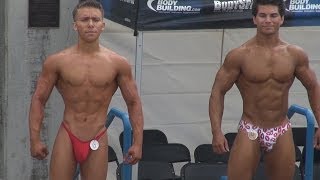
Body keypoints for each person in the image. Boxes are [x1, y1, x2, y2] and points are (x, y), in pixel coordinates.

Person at [28, 1, 144, 179]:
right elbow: (39, 99)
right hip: (68, 132)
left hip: (97, 134)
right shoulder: (57, 61)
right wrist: (34, 139)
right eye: (84, 19)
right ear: (75, 25)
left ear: (102, 25)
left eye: (95, 19)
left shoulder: (118, 63)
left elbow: (133, 102)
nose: (90, 24)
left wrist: (138, 143)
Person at [208, 0, 320, 179]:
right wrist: (216, 131)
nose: (268, 20)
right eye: (263, 15)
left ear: (282, 19)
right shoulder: (240, 55)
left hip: (280, 128)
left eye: (273, 15)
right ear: (254, 19)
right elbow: (217, 92)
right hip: (250, 127)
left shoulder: (294, 54)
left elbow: (313, 86)